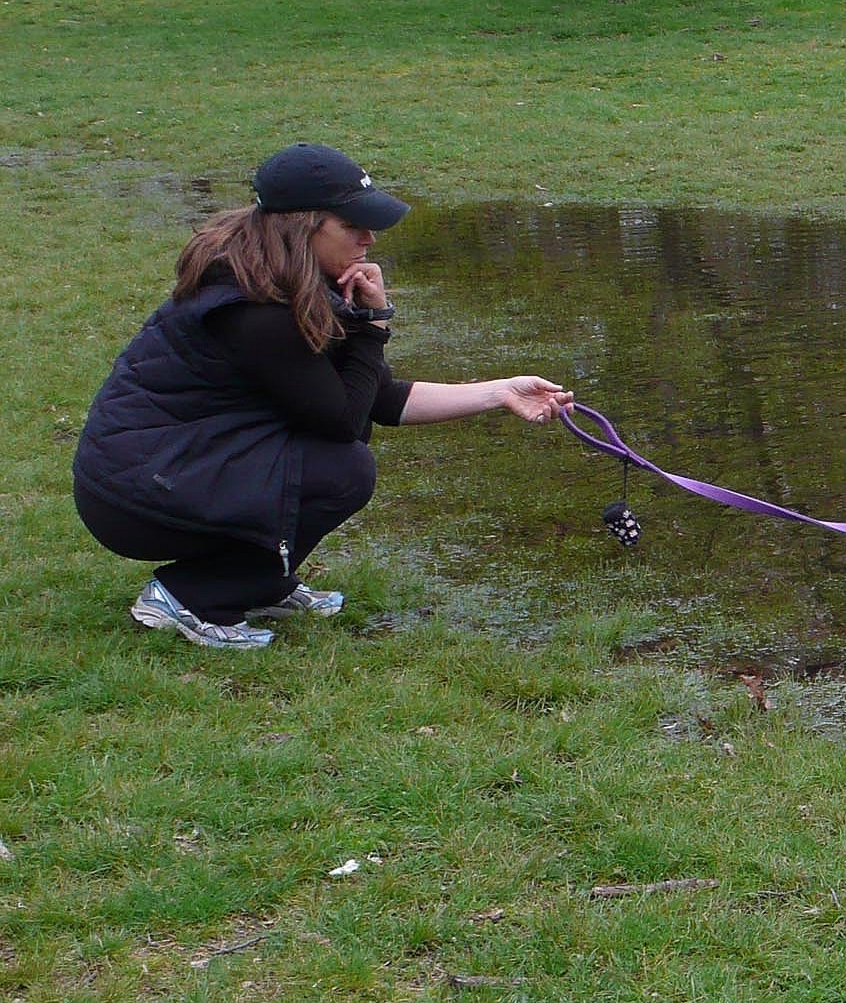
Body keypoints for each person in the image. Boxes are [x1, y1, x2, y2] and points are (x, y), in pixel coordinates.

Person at [73, 143, 574, 649]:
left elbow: (376, 398)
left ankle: (259, 581)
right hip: (133, 496)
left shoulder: (281, 281)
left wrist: (502, 392)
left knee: (327, 462)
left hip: (169, 469)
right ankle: (193, 595)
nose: (369, 238)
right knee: (342, 470)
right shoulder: (253, 311)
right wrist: (372, 327)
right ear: (302, 226)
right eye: (351, 224)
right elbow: (343, 422)